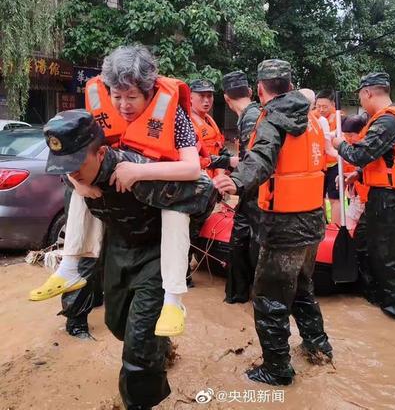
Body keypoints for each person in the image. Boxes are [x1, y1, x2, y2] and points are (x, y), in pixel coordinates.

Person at [41, 110, 214, 409]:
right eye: (64, 166)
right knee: (117, 324)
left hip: (155, 254)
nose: (72, 172)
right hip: (119, 248)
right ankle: (161, 347)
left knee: (137, 350)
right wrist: (77, 184)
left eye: (76, 164)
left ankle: (140, 400)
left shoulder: (136, 171)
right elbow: (71, 178)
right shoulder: (80, 176)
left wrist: (187, 226)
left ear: (102, 152)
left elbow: (204, 190)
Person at [30, 45, 200, 338]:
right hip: (118, 204)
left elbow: (192, 169)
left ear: (149, 91)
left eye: (132, 97)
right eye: (116, 96)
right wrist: (79, 184)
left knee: (176, 210)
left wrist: (139, 171)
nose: (123, 105)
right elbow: (75, 161)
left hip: (162, 194)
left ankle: (174, 300)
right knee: (84, 183)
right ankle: (69, 266)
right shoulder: (98, 113)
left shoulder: (174, 116)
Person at [214, 59, 332, 386]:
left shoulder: (271, 120)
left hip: (285, 226)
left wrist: (235, 183)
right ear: (291, 86)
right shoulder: (312, 119)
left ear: (261, 90)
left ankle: (277, 369)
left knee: (269, 299)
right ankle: (318, 346)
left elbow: (261, 159)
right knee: (304, 289)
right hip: (313, 221)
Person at [332, 72, 395, 322]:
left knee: (390, 257)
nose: (361, 100)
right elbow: (385, 158)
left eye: (361, 95)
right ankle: (375, 296)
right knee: (365, 243)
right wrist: (358, 175)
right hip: (382, 195)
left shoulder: (389, 121)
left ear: (368, 93)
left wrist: (339, 144)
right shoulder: (390, 118)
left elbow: (361, 153)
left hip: (394, 199)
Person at [222, 70, 261, 303]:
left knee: (241, 240)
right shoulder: (257, 113)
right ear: (249, 91)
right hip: (261, 191)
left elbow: (252, 162)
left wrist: (235, 184)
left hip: (254, 193)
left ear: (226, 99)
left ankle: (237, 296)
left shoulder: (249, 117)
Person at [189, 78, 231, 178]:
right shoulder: (186, 122)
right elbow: (191, 158)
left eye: (209, 96)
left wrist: (221, 173)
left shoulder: (209, 120)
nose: (206, 100)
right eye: (202, 96)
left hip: (215, 180)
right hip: (198, 182)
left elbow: (220, 148)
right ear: (190, 97)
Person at [315, 91, 341, 224]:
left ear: (333, 105)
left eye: (324, 106)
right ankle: (323, 226)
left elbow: (340, 136)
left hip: (334, 164)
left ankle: (335, 228)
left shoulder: (339, 118)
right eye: (318, 106)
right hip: (319, 165)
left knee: (335, 198)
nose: (321, 109)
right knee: (318, 199)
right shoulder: (313, 118)